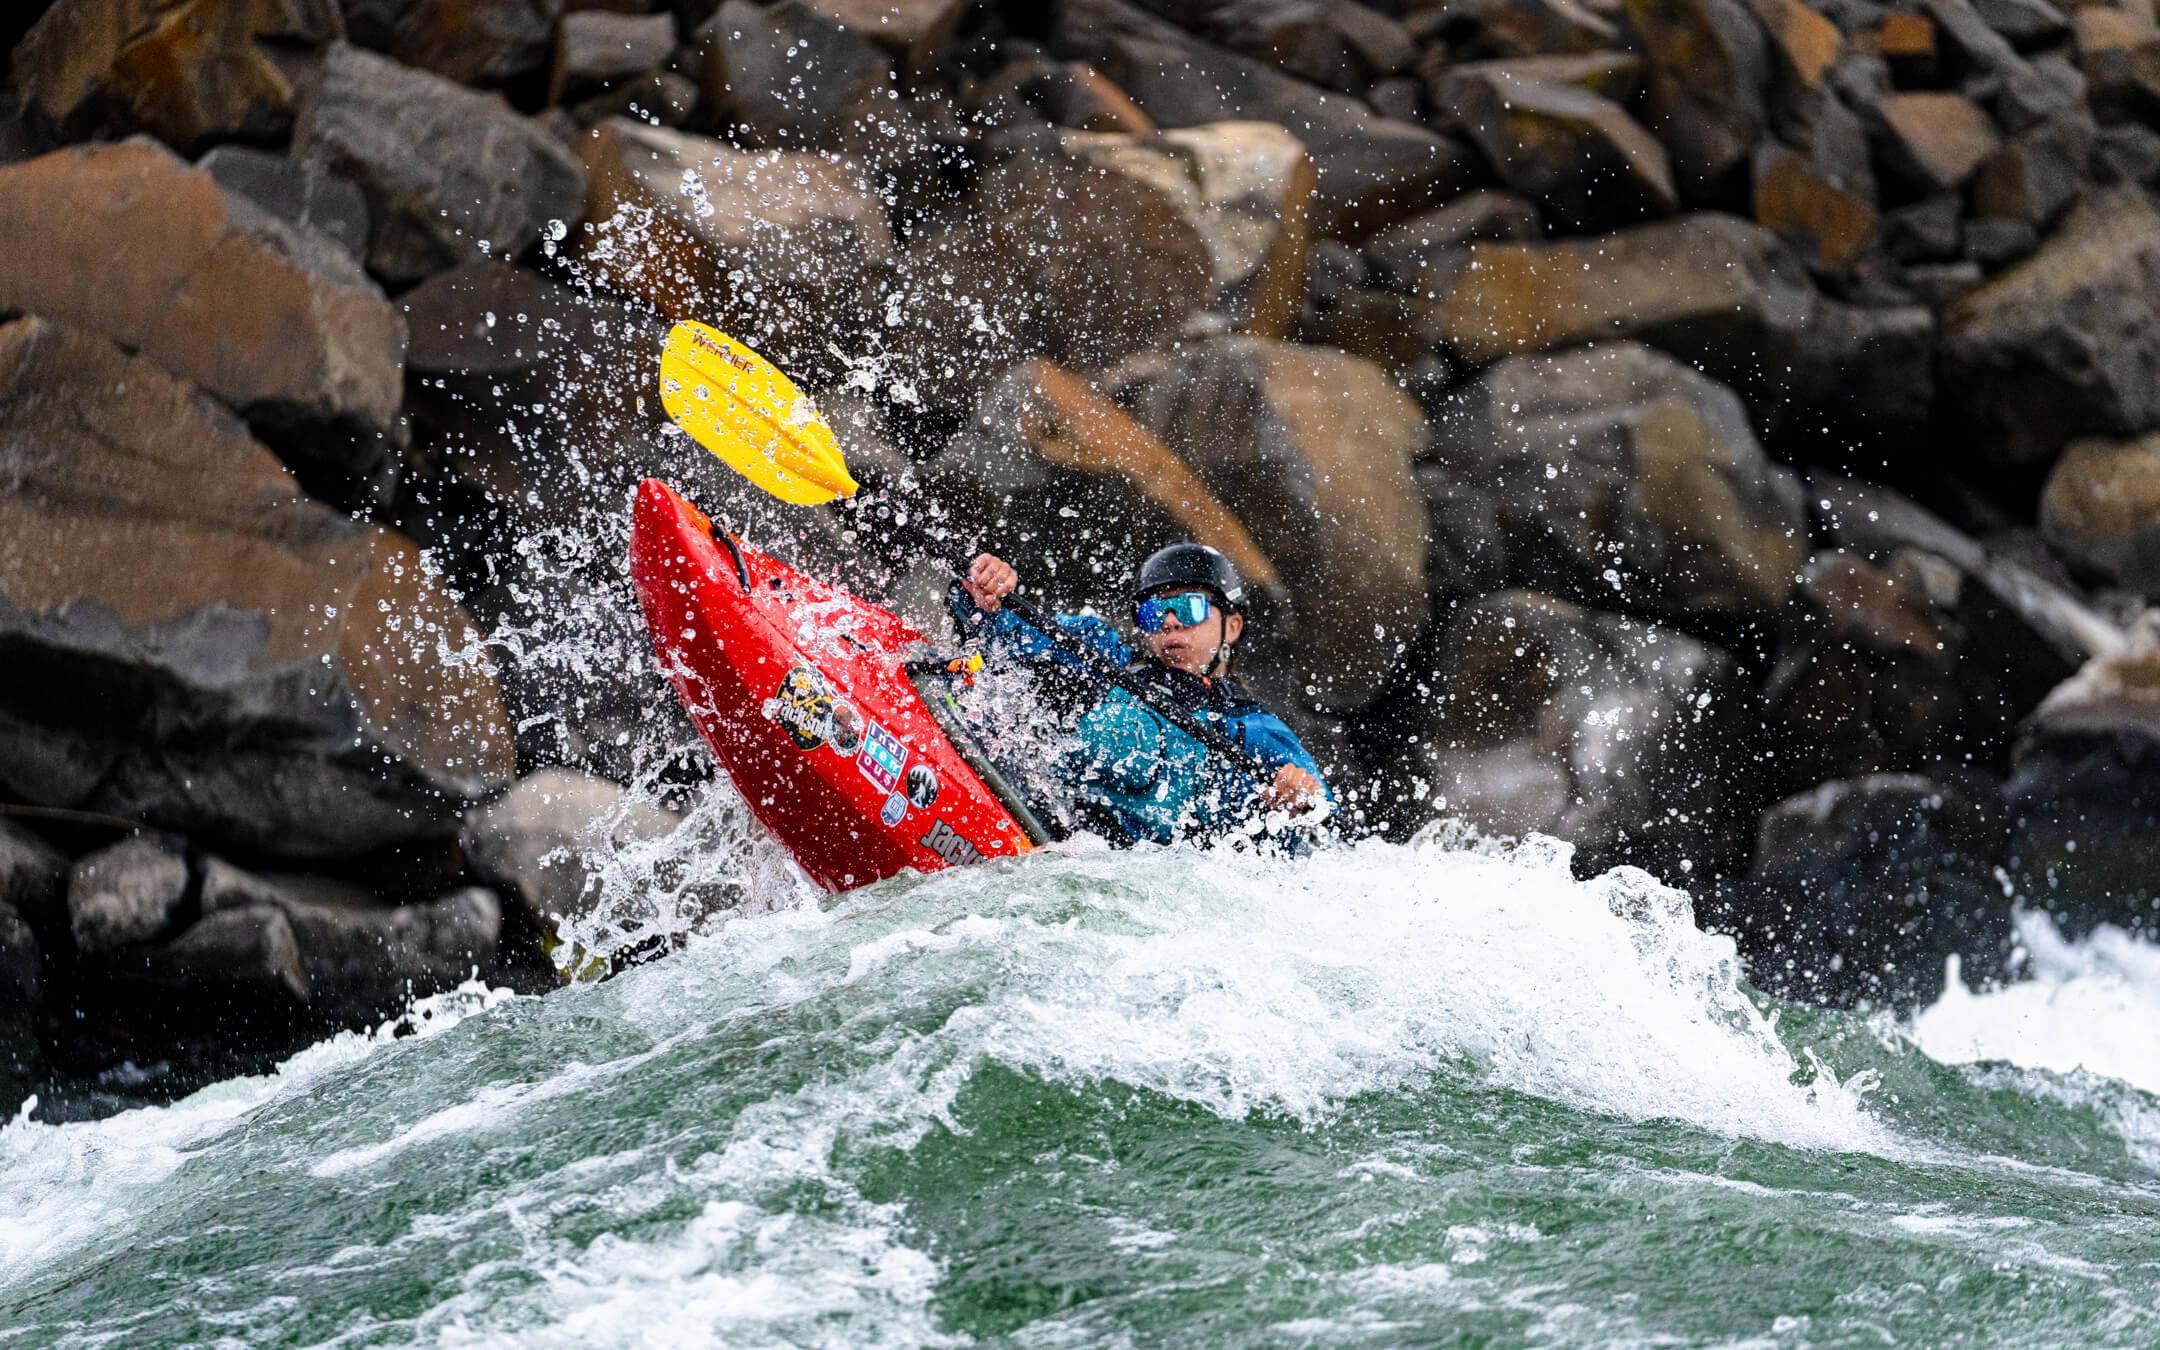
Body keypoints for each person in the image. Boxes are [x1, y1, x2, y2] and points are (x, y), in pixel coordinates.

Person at [948, 541, 1328, 846]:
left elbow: (1325, 823)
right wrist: (989, 591)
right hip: (1041, 832)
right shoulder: (1103, 656)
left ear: (1232, 627)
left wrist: (1299, 801)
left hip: (1137, 880)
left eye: (1189, 606)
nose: (1170, 621)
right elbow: (1001, 630)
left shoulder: (1256, 730)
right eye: (1153, 611)